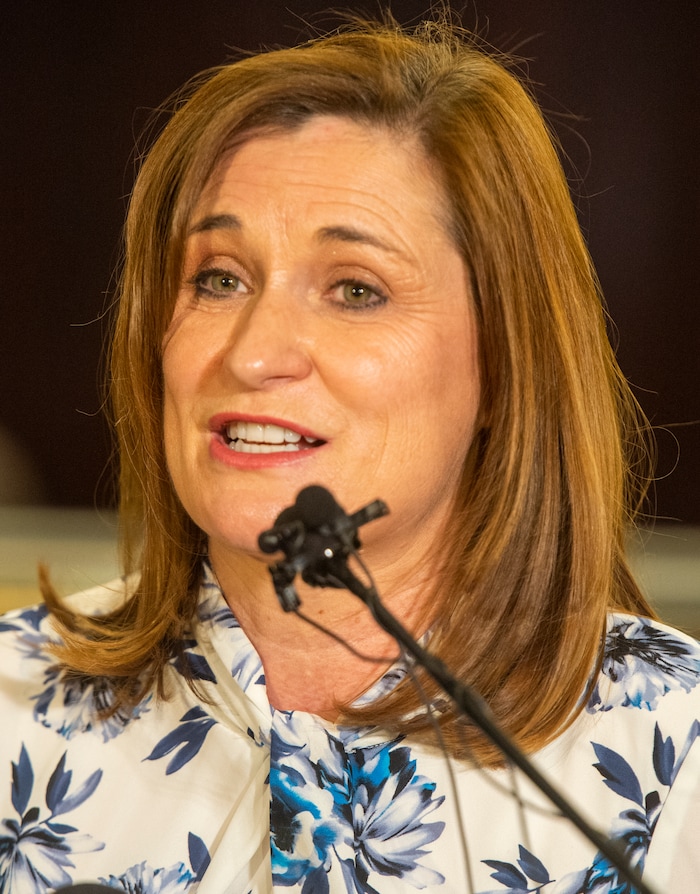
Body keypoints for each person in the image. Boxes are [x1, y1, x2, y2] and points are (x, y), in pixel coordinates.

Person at [1, 16, 698, 894]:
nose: (254, 355)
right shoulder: (11, 707)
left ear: (505, 364)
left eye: (355, 290)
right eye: (219, 278)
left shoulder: (675, 750)